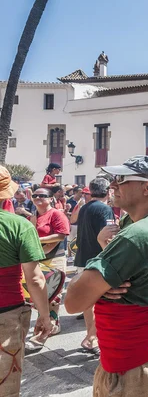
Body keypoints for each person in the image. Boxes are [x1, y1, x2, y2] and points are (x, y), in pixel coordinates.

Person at [64, 155, 148, 396]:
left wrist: (94, 275)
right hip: (145, 352)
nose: (113, 185)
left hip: (134, 363)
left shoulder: (137, 234)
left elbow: (73, 301)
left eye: (121, 179)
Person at [0, 166, 52, 396]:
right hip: (7, 313)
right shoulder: (20, 225)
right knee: (6, 384)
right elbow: (35, 279)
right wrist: (45, 316)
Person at [74, 178, 115, 354]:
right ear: (108, 191)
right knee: (101, 302)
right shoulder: (105, 209)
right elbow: (109, 236)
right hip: (98, 261)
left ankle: (90, 336)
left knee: (88, 303)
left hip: (83, 259)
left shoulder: (84, 208)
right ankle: (94, 338)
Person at [26, 187, 70, 351]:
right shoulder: (33, 215)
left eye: (42, 196)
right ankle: (51, 325)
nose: (38, 198)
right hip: (38, 258)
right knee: (39, 297)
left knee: (52, 295)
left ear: (51, 198)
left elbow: (62, 234)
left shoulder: (56, 213)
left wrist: (38, 240)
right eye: (35, 195)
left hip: (55, 258)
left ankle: (45, 331)